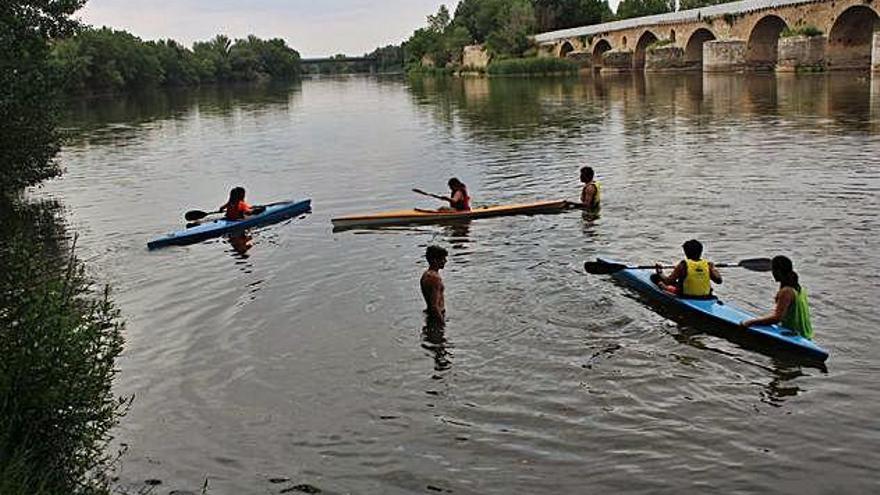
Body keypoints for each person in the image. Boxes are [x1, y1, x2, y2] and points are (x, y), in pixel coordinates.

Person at [741, 256, 813, 339]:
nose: (772, 273)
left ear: (778, 271)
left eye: (773, 270)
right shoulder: (799, 289)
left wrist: (750, 322)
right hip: (806, 335)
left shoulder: (786, 291)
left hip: (794, 335)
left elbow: (777, 318)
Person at [651, 239, 722, 298]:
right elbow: (719, 281)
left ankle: (663, 287)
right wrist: (713, 269)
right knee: (678, 283)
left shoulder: (683, 264)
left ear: (686, 252)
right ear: (701, 251)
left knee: (655, 277)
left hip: (685, 296)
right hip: (706, 297)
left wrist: (660, 272)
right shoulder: (708, 265)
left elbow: (669, 281)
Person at [420, 245, 448, 320]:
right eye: (443, 258)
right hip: (436, 317)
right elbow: (434, 306)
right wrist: (441, 323)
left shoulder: (426, 274)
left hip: (431, 315)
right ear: (435, 260)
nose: (445, 261)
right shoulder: (435, 278)